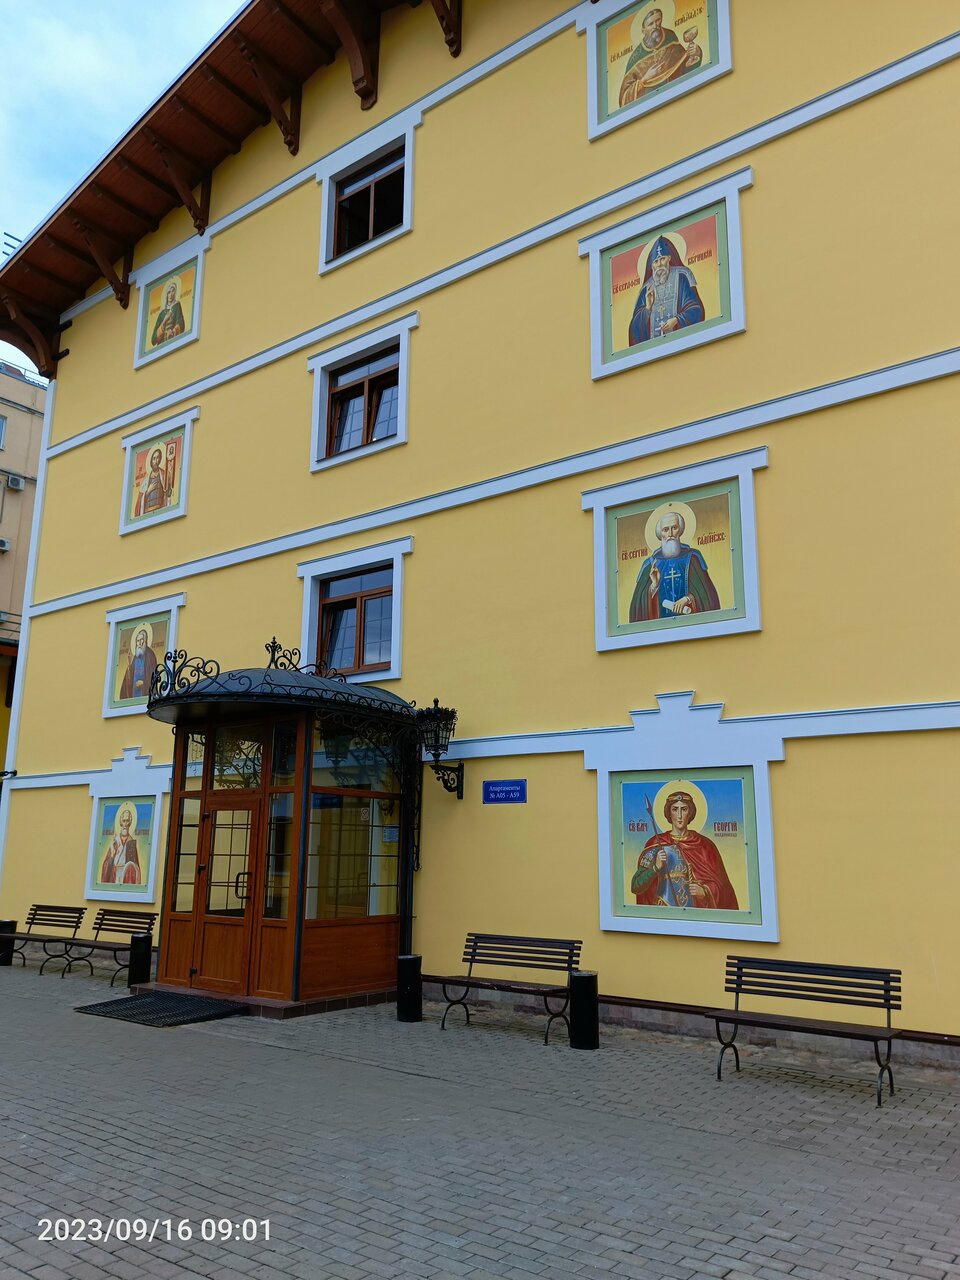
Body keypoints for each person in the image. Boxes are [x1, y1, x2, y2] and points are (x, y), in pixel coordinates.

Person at [631, 791, 737, 909]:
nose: (680, 815)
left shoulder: (705, 846)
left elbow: (724, 889)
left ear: (690, 812)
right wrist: (655, 867)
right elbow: (636, 886)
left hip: (694, 911)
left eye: (684, 809)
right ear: (669, 813)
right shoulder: (656, 844)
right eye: (675, 809)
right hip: (663, 911)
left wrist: (705, 891)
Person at [628, 508, 720, 621]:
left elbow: (708, 595)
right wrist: (654, 587)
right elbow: (637, 607)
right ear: (660, 534)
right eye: (665, 529)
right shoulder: (650, 565)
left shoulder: (693, 559)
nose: (670, 534)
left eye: (674, 528)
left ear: (680, 530)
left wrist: (688, 599)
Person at [628, 234, 705, 346]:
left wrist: (677, 320)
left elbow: (696, 309)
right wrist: (647, 309)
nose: (659, 264)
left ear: (669, 258)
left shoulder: (682, 276)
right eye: (656, 261)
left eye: (662, 259)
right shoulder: (646, 288)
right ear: (651, 265)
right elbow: (634, 329)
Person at [619, 8, 701, 107]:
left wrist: (694, 57)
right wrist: (644, 79)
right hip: (650, 106)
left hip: (675, 96)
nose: (655, 26)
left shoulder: (670, 37)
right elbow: (624, 98)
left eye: (658, 20)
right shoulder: (636, 57)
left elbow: (681, 65)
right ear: (643, 31)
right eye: (650, 24)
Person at [99, 807, 142, 885]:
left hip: (126, 879)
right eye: (123, 821)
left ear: (130, 823)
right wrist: (112, 856)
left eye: (127, 821)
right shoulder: (115, 842)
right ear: (120, 822)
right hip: (114, 878)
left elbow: (137, 870)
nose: (125, 824)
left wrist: (131, 866)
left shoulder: (132, 844)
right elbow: (105, 867)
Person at [119, 626, 159, 702]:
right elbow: (130, 677)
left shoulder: (150, 655)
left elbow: (153, 676)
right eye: (137, 641)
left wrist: (144, 683)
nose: (139, 643)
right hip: (134, 694)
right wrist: (129, 666)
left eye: (142, 640)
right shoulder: (136, 657)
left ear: (146, 641)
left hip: (145, 693)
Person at [135, 447, 169, 518]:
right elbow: (139, 503)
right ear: (151, 461)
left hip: (160, 511)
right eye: (154, 458)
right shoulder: (145, 481)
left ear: (160, 459)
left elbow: (168, 493)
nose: (156, 461)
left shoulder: (164, 475)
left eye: (158, 458)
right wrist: (148, 491)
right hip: (147, 513)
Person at [150, 280, 185, 347]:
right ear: (166, 295)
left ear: (175, 293)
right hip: (161, 346)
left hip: (174, 343)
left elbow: (181, 324)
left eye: (173, 291)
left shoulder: (176, 306)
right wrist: (164, 321)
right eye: (169, 292)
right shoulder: (161, 314)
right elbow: (153, 340)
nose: (171, 294)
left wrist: (173, 331)